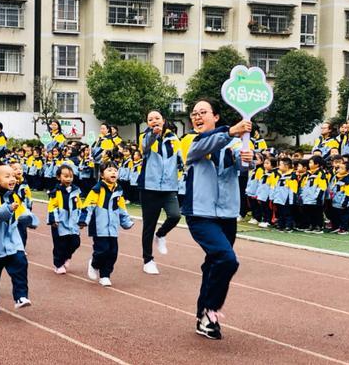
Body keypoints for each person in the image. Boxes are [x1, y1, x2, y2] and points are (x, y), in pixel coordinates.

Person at [182, 99, 253, 340]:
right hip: (200, 215)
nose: (197, 116)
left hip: (227, 215)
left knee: (213, 264)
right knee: (227, 259)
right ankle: (212, 308)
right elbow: (205, 146)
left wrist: (247, 157)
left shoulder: (233, 143)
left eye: (203, 112)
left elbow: (242, 168)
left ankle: (203, 317)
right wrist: (233, 130)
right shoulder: (191, 141)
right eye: (194, 113)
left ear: (216, 116)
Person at [0, 164, 31, 314]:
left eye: (13, 176)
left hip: (12, 240)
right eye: (7, 176)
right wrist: (8, 209)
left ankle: (20, 296)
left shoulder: (14, 195)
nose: (12, 179)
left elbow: (22, 211)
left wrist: (29, 219)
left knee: (21, 264)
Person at [137, 110, 182, 275]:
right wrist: (154, 135)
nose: (154, 121)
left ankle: (161, 234)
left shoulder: (173, 138)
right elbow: (145, 148)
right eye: (150, 119)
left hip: (169, 187)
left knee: (175, 215)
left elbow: (180, 158)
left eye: (157, 118)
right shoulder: (145, 136)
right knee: (149, 225)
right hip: (149, 187)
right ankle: (148, 260)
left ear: (163, 120)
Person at [80, 161, 134, 287]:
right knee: (101, 250)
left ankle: (105, 275)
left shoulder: (118, 190)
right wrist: (83, 220)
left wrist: (126, 222)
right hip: (99, 227)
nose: (113, 172)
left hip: (113, 228)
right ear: (102, 175)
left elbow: (122, 208)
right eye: (109, 170)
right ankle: (94, 264)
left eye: (115, 170)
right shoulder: (97, 190)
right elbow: (88, 206)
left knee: (113, 252)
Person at [47, 165, 82, 274]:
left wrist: (81, 220)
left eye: (71, 176)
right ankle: (58, 264)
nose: (69, 179)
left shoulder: (76, 191)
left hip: (72, 221)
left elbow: (79, 206)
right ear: (59, 177)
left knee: (75, 242)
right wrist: (54, 220)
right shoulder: (55, 192)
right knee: (60, 245)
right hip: (60, 222)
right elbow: (52, 206)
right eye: (66, 176)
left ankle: (67, 256)